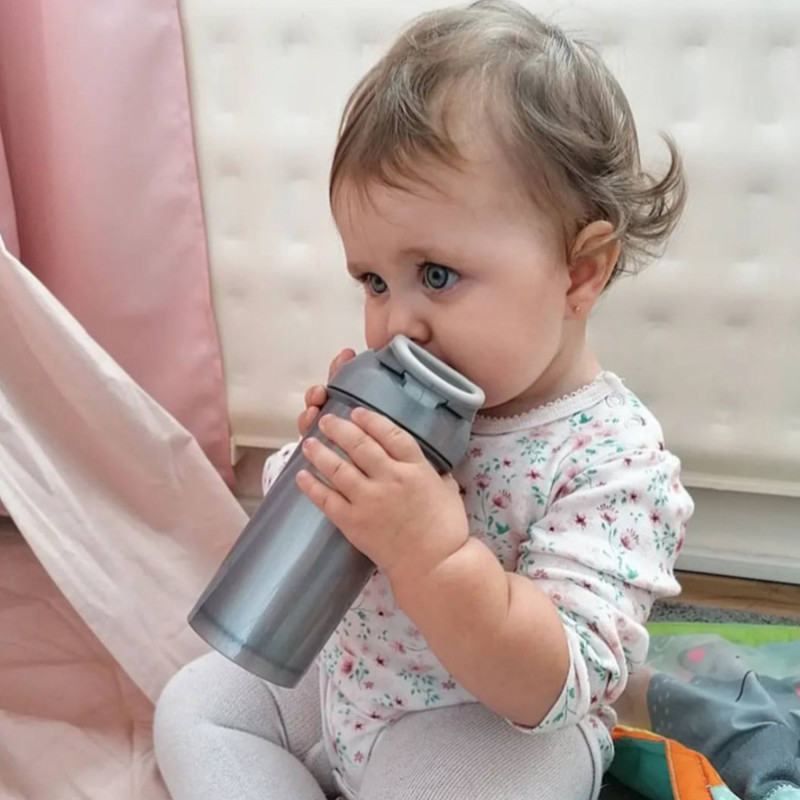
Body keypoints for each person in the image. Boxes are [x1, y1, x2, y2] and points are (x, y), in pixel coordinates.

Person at [153, 1, 694, 798]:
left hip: (484, 731)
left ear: (580, 272)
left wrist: (431, 556)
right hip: (350, 681)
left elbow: (554, 684)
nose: (396, 323)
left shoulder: (612, 461)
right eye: (374, 280)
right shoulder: (407, 390)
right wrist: (325, 468)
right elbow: (312, 551)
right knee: (196, 706)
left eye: (436, 275)